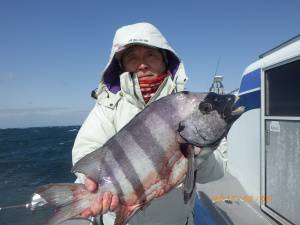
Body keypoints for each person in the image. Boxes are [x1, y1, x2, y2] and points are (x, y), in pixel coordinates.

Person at [72, 22, 227, 225]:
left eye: (151, 55)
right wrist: (92, 185)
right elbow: (86, 154)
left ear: (165, 60)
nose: (142, 64)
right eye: (132, 58)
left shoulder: (192, 107)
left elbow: (218, 171)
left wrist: (197, 156)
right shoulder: (108, 106)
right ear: (122, 66)